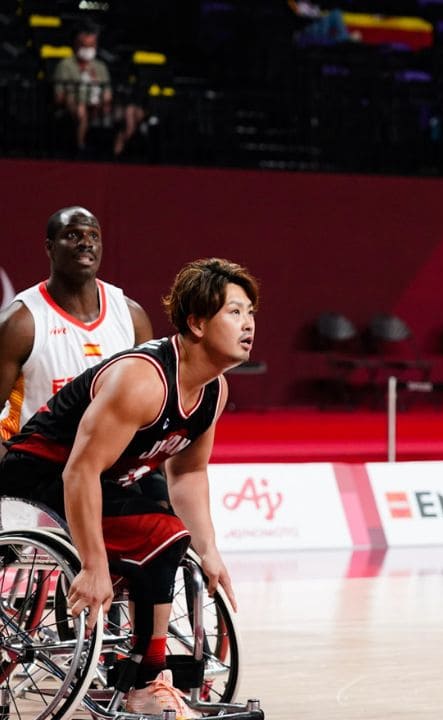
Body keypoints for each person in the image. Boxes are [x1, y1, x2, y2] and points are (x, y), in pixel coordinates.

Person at [0, 258, 258, 717]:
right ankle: (145, 683)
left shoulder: (212, 391)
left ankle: (146, 670)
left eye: (251, 312)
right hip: (38, 473)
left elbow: (188, 474)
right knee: (159, 533)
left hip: (101, 480)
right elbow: (79, 471)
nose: (248, 324)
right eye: (234, 312)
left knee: (172, 533)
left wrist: (210, 549)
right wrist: (94, 563)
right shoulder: (143, 380)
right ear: (197, 323)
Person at [0, 207, 153, 448]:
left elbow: (150, 407)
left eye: (93, 236)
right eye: (73, 235)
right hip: (33, 469)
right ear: (49, 247)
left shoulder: (131, 316)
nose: (86, 243)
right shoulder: (21, 323)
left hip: (104, 466)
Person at [52, 27, 144, 156]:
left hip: (100, 107)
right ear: (76, 45)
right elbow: (59, 96)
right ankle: (80, 147)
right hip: (77, 105)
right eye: (84, 45)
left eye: (91, 45)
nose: (87, 49)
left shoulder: (100, 66)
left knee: (134, 112)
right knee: (80, 109)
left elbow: (107, 92)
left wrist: (104, 102)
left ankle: (118, 147)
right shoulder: (65, 65)